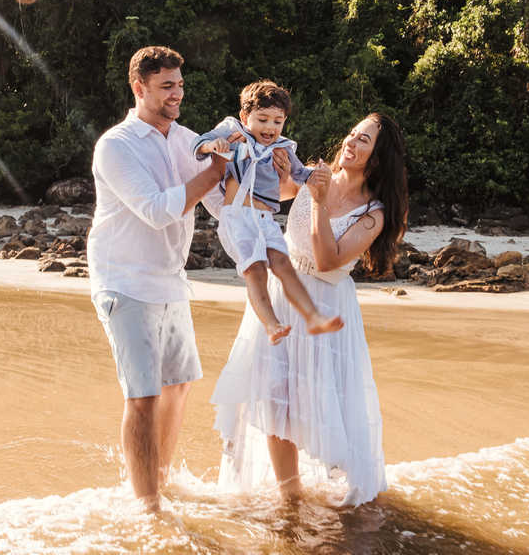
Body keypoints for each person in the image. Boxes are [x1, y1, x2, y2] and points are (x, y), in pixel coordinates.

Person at [211, 113, 408, 507]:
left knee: (321, 401)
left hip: (325, 304)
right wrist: (254, 161)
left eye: (363, 140)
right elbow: (259, 195)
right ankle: (291, 498)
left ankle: (352, 500)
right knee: (274, 397)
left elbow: (326, 259)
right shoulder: (314, 174)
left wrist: (318, 202)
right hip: (281, 292)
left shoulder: (374, 212)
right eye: (352, 133)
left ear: (379, 157)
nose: (350, 142)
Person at [87, 45, 230, 513]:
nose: (176, 94)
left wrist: (276, 175)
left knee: (178, 385)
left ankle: (159, 485)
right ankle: (147, 508)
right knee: (143, 394)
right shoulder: (115, 145)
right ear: (139, 88)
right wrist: (217, 169)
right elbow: (156, 209)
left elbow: (223, 203)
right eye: (166, 86)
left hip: (171, 281)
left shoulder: (188, 139)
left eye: (180, 85)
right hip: (124, 281)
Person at [192, 81, 343, 344]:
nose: (270, 128)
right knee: (256, 271)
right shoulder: (233, 130)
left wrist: (316, 174)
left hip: (266, 219)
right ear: (244, 116)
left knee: (284, 265)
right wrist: (214, 144)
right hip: (237, 216)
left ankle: (313, 318)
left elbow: (300, 175)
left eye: (277, 121)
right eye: (262, 119)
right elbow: (198, 144)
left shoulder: (282, 147)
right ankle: (271, 324)